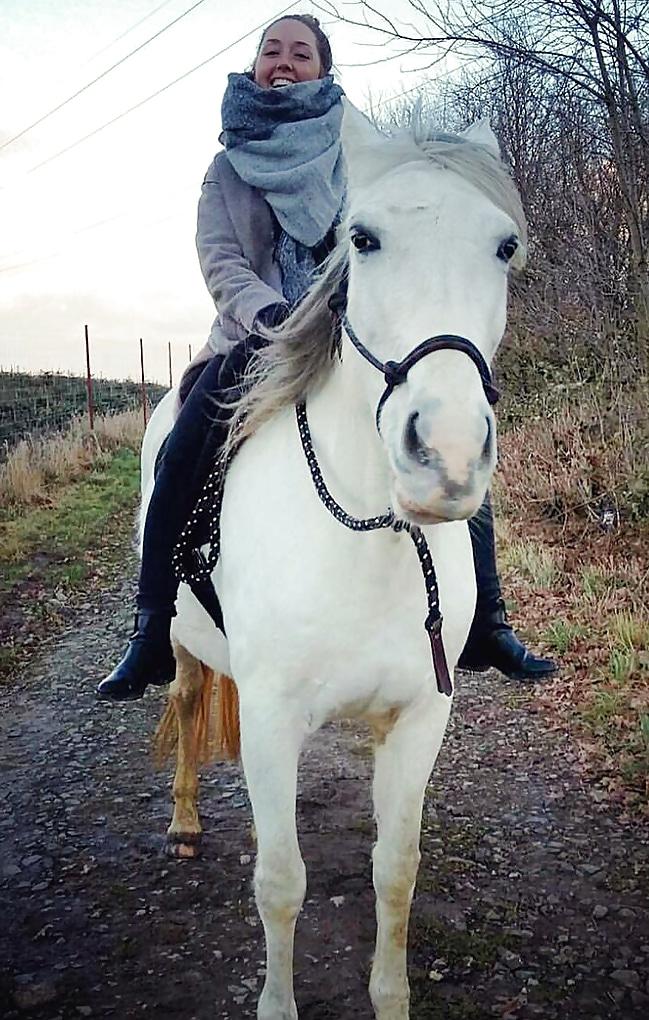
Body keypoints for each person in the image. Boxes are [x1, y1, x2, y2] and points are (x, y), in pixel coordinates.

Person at [97, 14, 556, 702]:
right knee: (182, 442)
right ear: (255, 67)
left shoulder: (356, 157)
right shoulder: (227, 168)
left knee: (448, 428)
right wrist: (271, 316)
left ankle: (486, 621)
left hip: (349, 336)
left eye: (301, 53)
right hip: (256, 337)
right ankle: (152, 625)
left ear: (323, 70)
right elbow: (221, 261)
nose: (284, 61)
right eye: (272, 50)